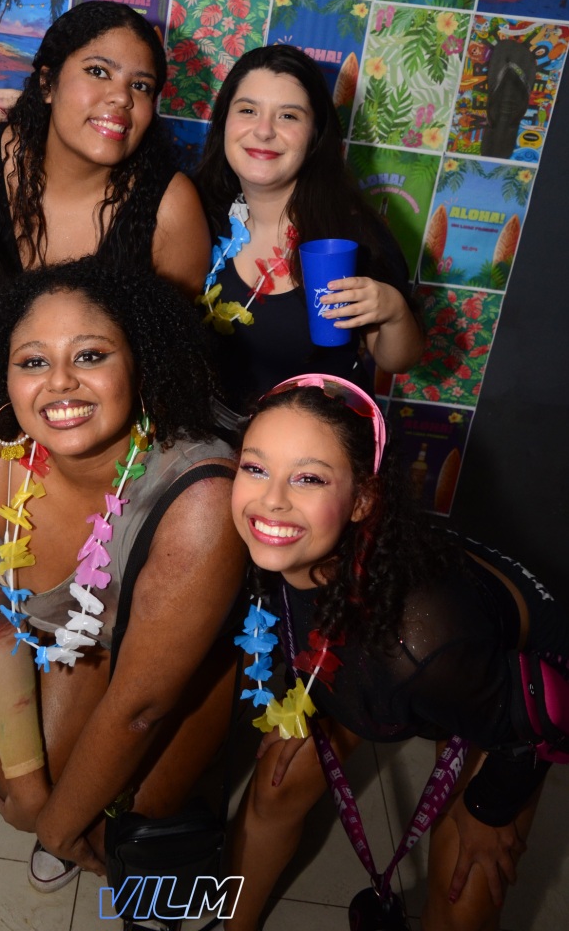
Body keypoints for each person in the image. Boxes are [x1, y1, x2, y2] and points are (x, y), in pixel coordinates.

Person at [0, 258, 245, 892]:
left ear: (138, 364)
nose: (59, 382)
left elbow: (141, 707)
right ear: (4, 377)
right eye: (33, 361)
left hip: (198, 663)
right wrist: (28, 781)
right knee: (19, 788)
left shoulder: (201, 497)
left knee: (126, 832)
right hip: (88, 646)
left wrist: (57, 827)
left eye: (90, 355)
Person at [228, 373, 567, 931]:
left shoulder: (419, 643)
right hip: (389, 653)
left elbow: (547, 713)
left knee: (464, 892)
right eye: (255, 468)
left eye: (308, 478)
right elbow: (302, 622)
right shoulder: (266, 541)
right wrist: (301, 699)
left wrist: (491, 808)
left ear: (361, 501)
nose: (271, 500)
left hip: (507, 689)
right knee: (276, 786)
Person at [194, 44, 424, 425]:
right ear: (223, 122)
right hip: (210, 440)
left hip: (315, 442)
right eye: (248, 110)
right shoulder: (196, 212)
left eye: (288, 116)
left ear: (315, 134)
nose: (264, 130)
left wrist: (393, 310)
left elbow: (398, 359)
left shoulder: (350, 234)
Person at [0, 0, 211, 297]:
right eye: (98, 71)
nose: (122, 97)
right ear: (47, 83)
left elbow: (177, 326)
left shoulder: (172, 208)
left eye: (141, 86)